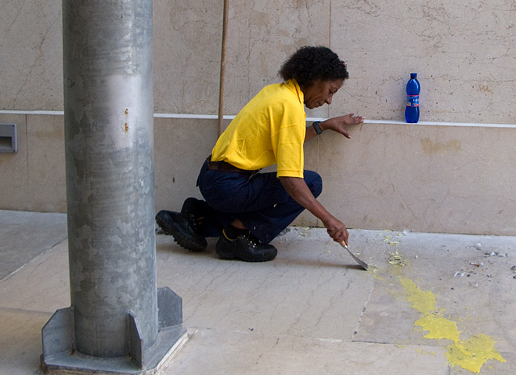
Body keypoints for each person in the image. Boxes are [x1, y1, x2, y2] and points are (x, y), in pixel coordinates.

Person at [156, 46, 364, 262]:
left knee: (263, 200)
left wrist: (324, 126)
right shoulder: (291, 107)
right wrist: (328, 219)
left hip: (213, 177)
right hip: (229, 186)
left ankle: (196, 218)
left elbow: (288, 139)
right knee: (311, 183)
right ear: (316, 77)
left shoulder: (278, 93)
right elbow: (290, 179)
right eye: (331, 91)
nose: (329, 100)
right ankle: (237, 238)